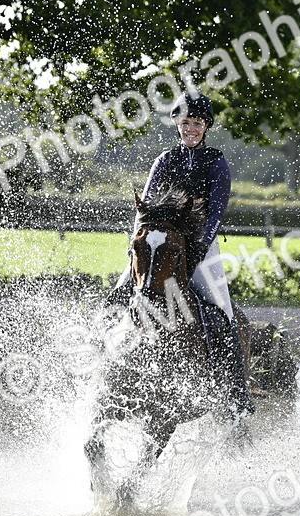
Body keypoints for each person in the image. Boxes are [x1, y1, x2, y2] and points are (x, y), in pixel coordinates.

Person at [106, 91, 254, 420]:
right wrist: (137, 249)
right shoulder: (164, 161)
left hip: (201, 248)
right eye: (186, 122)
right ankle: (98, 370)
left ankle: (236, 393)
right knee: (118, 294)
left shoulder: (215, 163)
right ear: (177, 123)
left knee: (222, 313)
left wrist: (198, 251)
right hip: (158, 246)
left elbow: (215, 214)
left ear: (206, 126)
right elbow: (143, 212)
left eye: (197, 123)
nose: (191, 128)